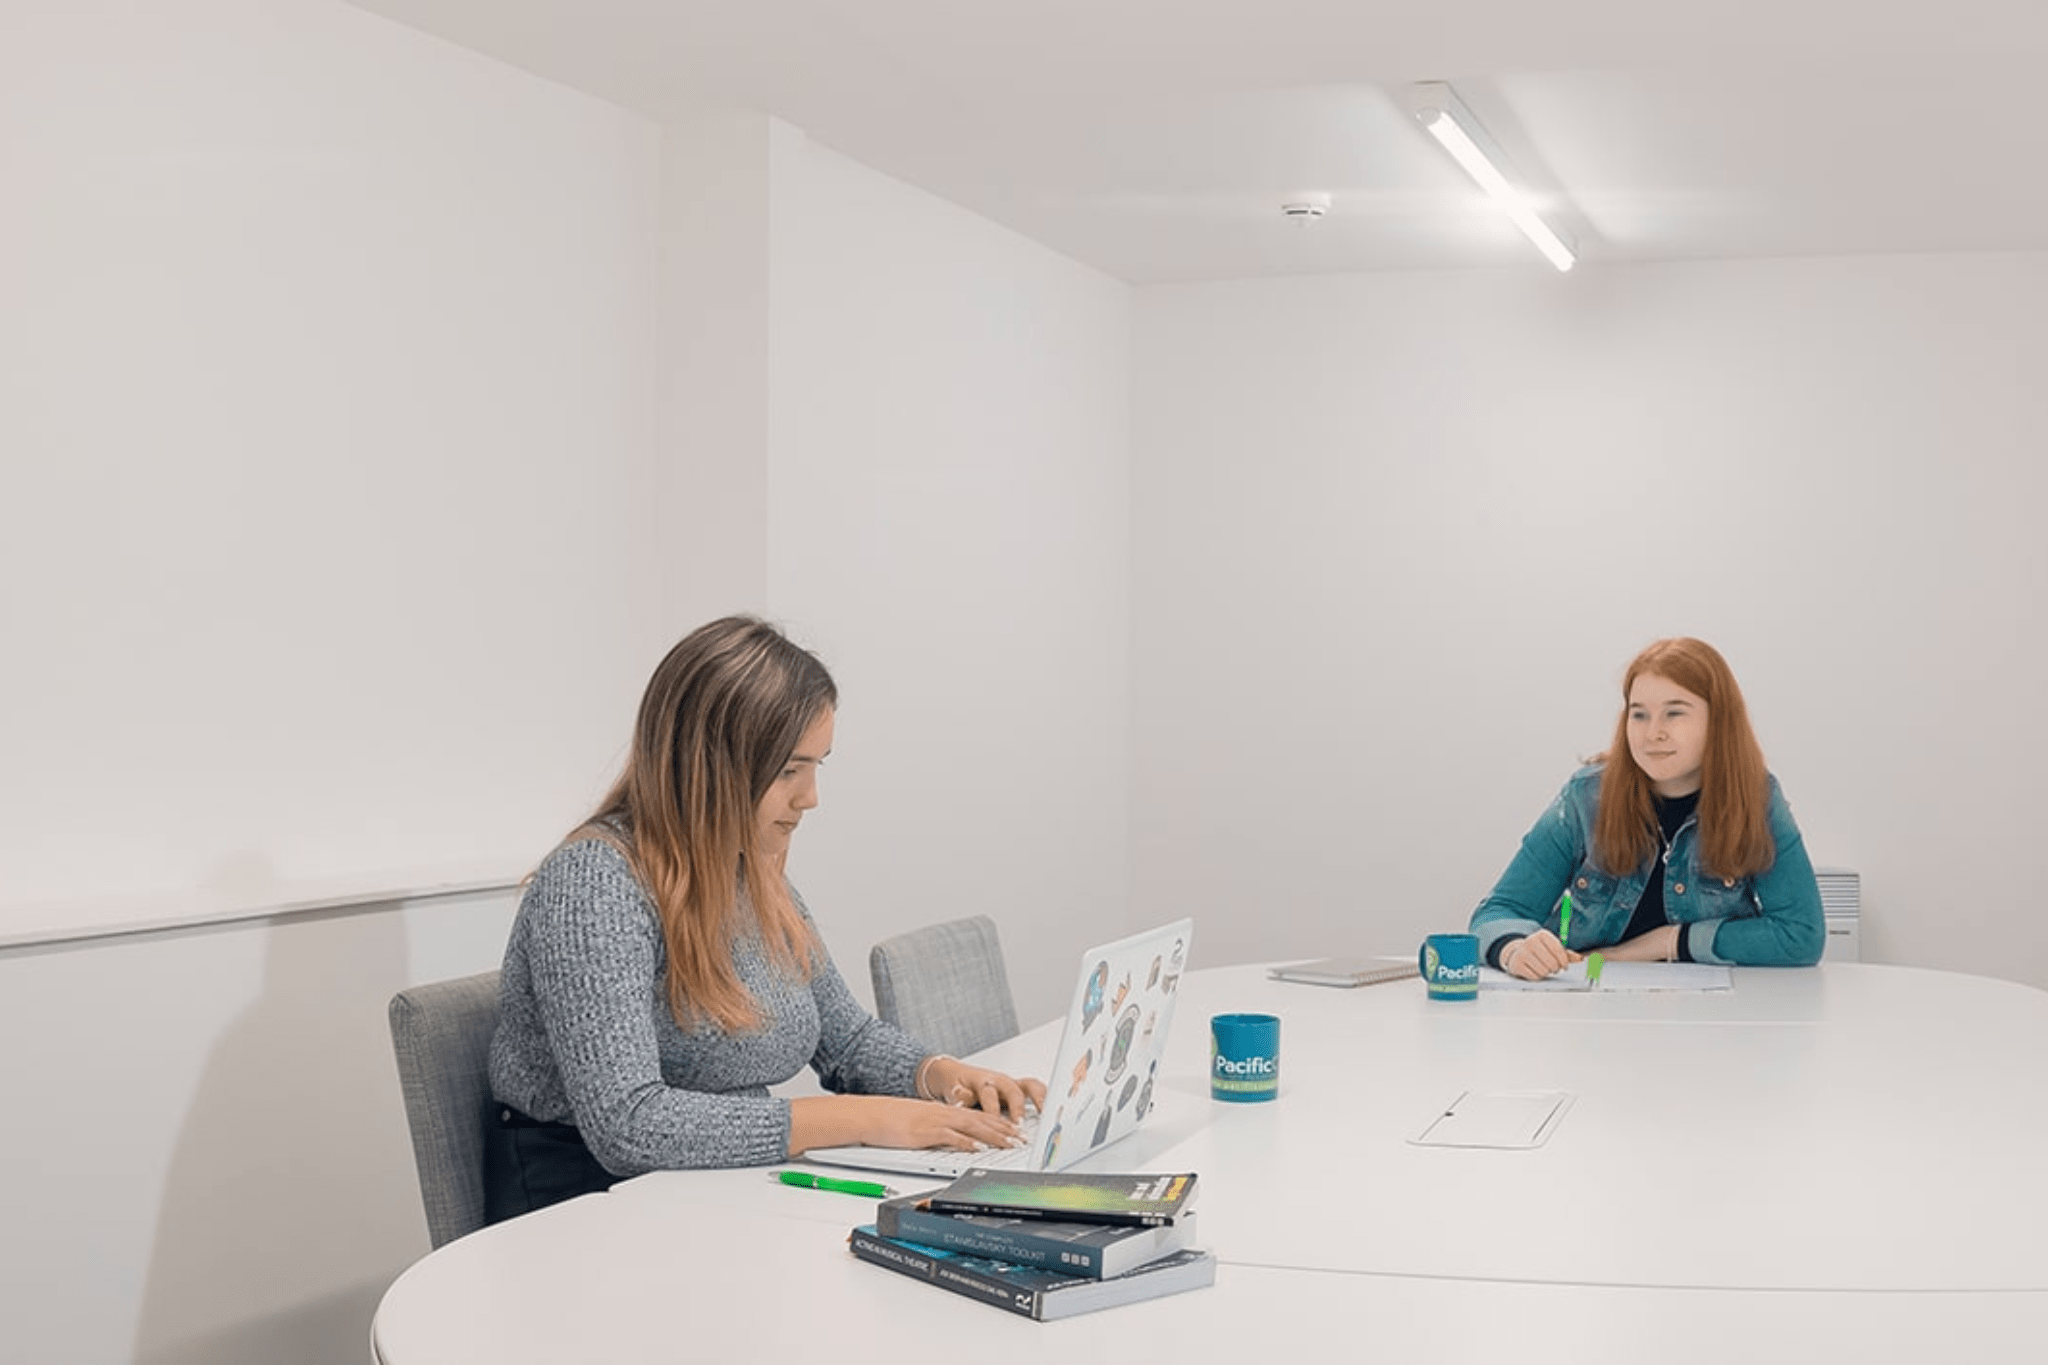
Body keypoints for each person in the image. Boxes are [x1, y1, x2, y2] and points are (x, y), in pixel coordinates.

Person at [484, 615, 1047, 1223]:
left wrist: (939, 1075)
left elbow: (847, 1041)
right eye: (787, 772)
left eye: (816, 768)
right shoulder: (595, 881)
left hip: (712, 1189)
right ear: (708, 766)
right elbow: (629, 1124)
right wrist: (870, 1120)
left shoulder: (747, 867)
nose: (810, 799)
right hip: (587, 1213)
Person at [1470, 637, 1824, 980]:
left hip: (1706, 1017)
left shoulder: (1757, 798)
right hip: (1587, 990)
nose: (1652, 733)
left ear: (1718, 722)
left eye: (1674, 713)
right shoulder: (1586, 797)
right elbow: (1497, 913)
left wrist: (1664, 942)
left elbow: (1801, 936)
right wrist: (1514, 950)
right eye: (1639, 715)